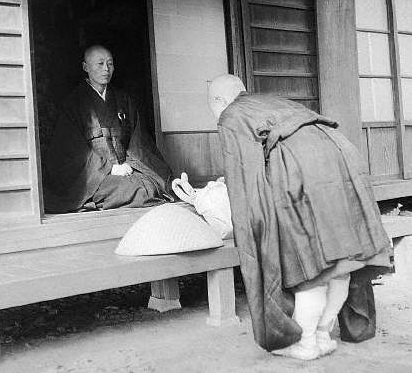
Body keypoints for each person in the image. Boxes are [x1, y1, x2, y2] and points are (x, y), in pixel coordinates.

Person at [208, 74, 391, 360]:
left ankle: (305, 342)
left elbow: (244, 173)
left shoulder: (231, 113)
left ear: (219, 100)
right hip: (342, 163)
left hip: (300, 174)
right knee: (339, 264)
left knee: (309, 268)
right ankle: (322, 335)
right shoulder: (272, 101)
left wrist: (254, 226)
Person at [43, 45, 173, 213]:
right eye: (100, 63)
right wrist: (110, 168)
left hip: (127, 169)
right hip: (96, 177)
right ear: (85, 67)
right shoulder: (73, 104)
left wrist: (131, 164)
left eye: (110, 64)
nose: (106, 69)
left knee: (152, 184)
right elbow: (71, 153)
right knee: (136, 190)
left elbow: (139, 142)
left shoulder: (123, 100)